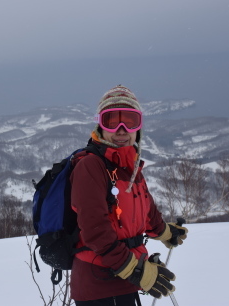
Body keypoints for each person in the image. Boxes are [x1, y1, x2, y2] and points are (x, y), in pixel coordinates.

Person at [69, 85, 188, 305]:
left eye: (130, 121)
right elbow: (95, 230)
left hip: (124, 277)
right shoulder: (91, 166)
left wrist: (164, 232)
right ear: (101, 126)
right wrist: (134, 270)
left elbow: (145, 207)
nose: (121, 130)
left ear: (138, 127)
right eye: (112, 121)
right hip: (100, 283)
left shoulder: (129, 166)